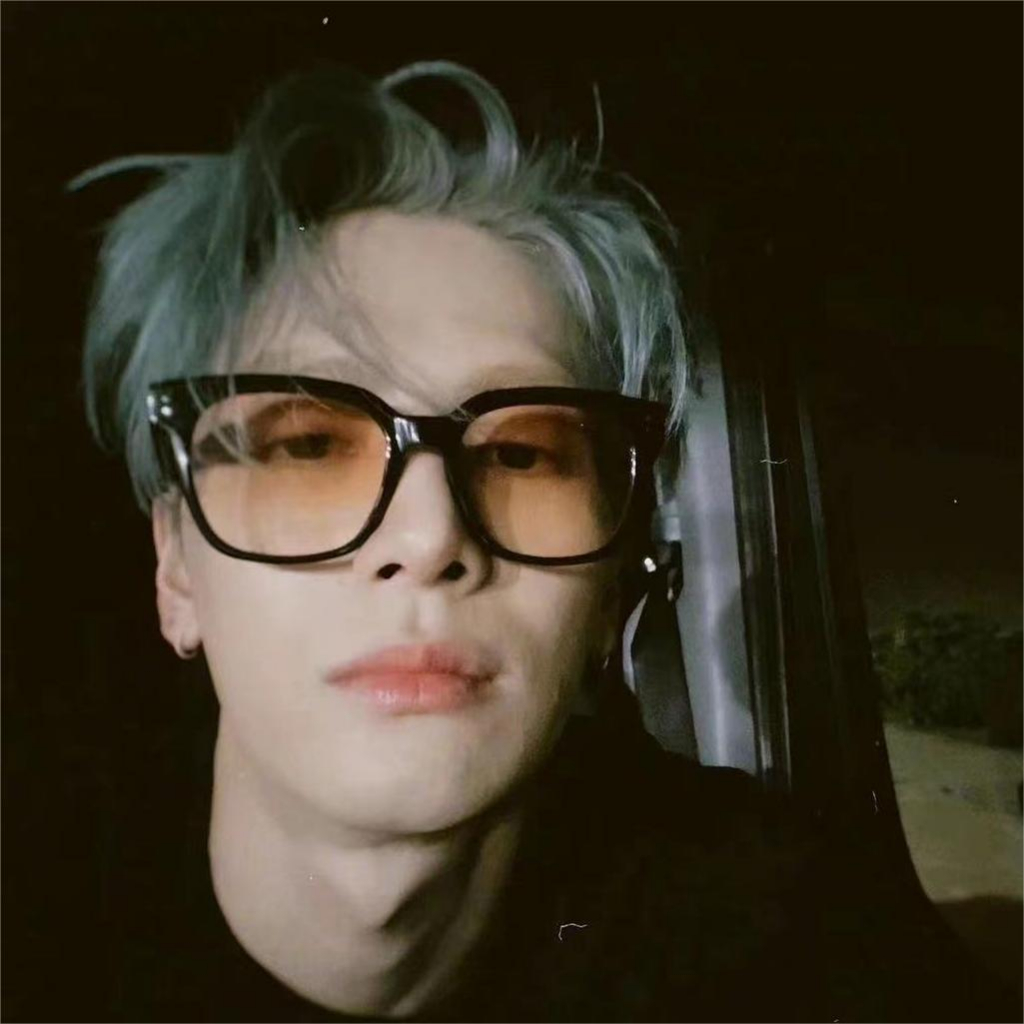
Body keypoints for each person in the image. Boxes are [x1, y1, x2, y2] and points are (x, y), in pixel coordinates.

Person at [75, 62, 1007, 1023]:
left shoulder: (797, 929)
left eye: (521, 453)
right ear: (175, 567)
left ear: (610, 592)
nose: (429, 536)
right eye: (308, 445)